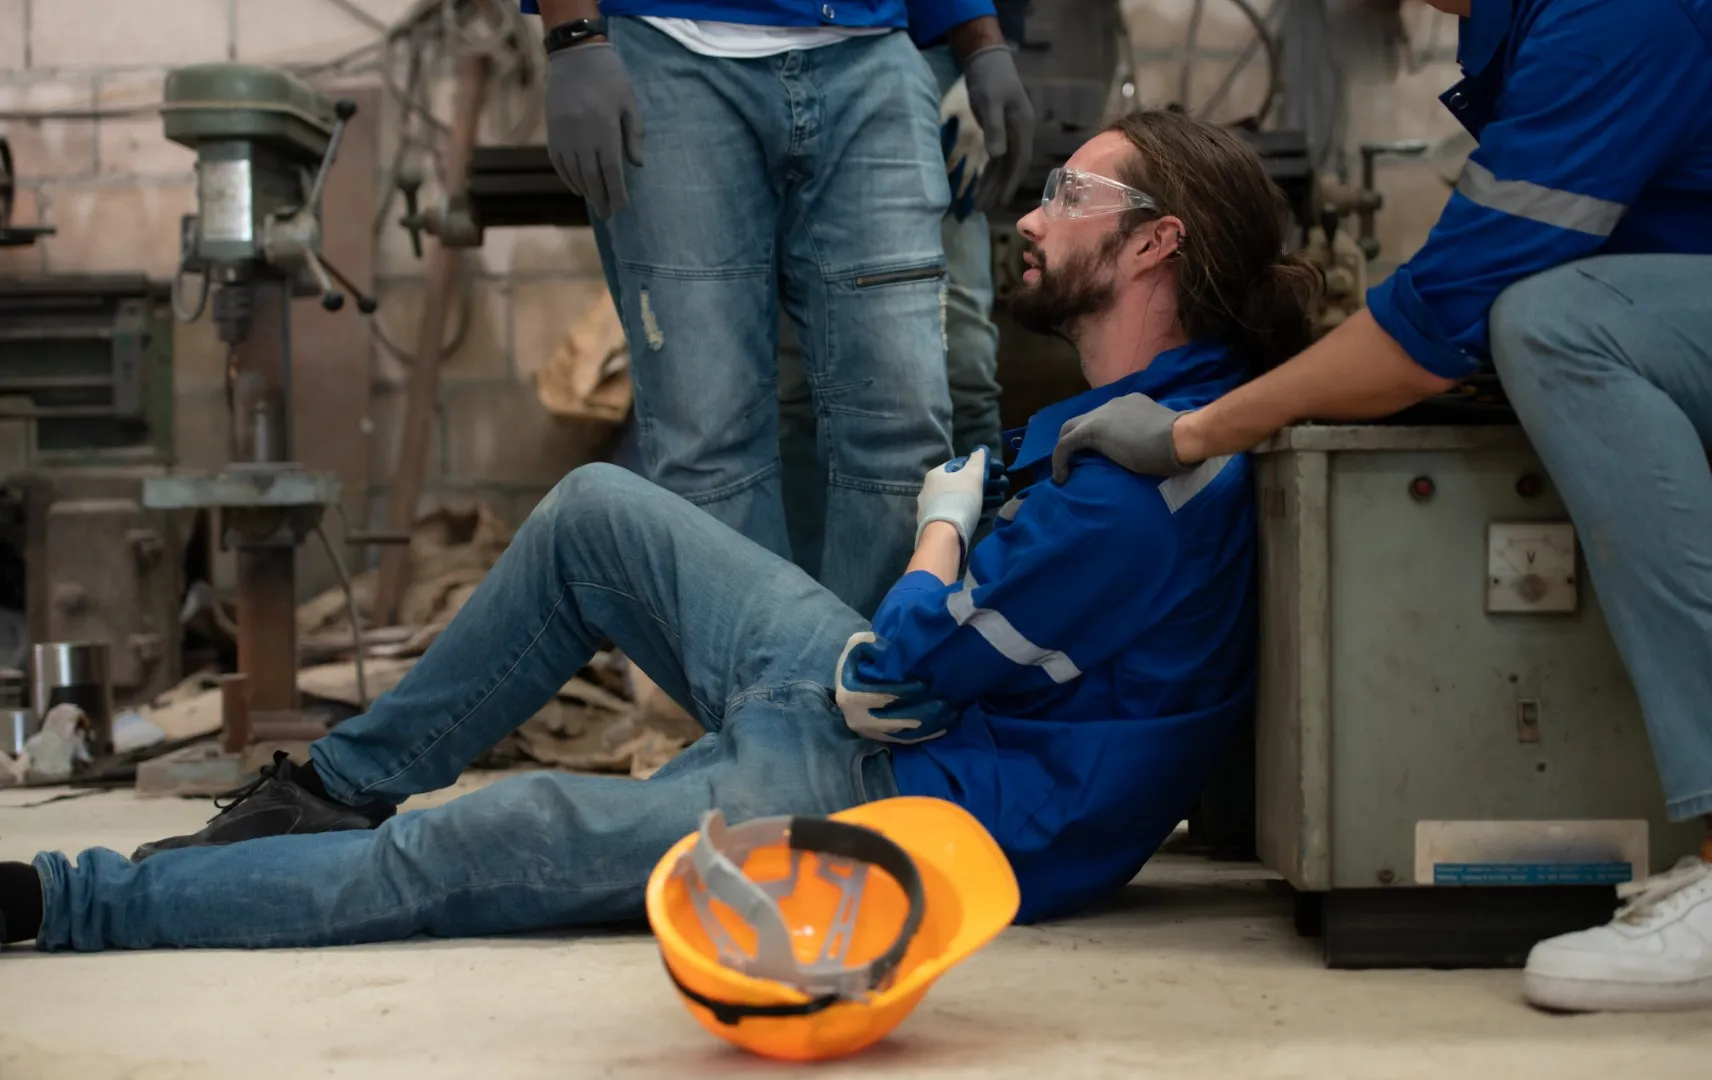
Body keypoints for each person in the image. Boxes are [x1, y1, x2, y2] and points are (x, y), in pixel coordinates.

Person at [0, 110, 1316, 952]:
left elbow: (902, 661)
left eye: (1071, 194)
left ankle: (68, 898)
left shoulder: (1135, 486)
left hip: (902, 801)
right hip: (898, 719)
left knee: (471, 846)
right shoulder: (1153, 425)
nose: (1029, 216)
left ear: (1154, 246)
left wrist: (941, 525)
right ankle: (331, 789)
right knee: (597, 513)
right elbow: (912, 667)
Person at [1048, 0, 1712, 1012]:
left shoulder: (1612, 13)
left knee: (1555, 325)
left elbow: (1443, 314)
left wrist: (1195, 431)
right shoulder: (1523, 29)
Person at [530, 0, 1034, 618]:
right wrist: (574, 37)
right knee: (709, 442)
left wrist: (979, 36)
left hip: (870, 48)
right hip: (673, 44)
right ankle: (765, 677)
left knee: (903, 434)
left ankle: (875, 668)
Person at [777, 0, 1026, 575]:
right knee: (796, 379)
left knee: (960, 362)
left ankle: (981, 587)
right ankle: (803, 604)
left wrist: (988, 48)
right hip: (788, 46)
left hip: (937, 48)